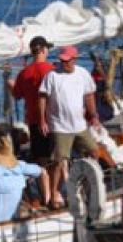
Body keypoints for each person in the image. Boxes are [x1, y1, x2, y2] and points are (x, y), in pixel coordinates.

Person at [37, 46, 98, 209]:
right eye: (62, 60)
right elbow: (42, 96)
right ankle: (54, 195)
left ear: (74, 59)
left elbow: (89, 94)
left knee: (94, 151)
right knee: (58, 161)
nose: (64, 63)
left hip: (79, 124)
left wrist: (93, 115)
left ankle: (89, 184)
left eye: (67, 60)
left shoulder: (82, 74)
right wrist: (42, 120)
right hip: (60, 126)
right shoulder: (52, 76)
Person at [10, 36, 55, 206]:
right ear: (44, 50)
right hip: (52, 121)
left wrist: (10, 84)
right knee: (57, 160)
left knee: (41, 162)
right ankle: (57, 195)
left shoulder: (24, 73)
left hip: (35, 123)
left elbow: (17, 95)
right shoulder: (52, 70)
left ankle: (46, 197)